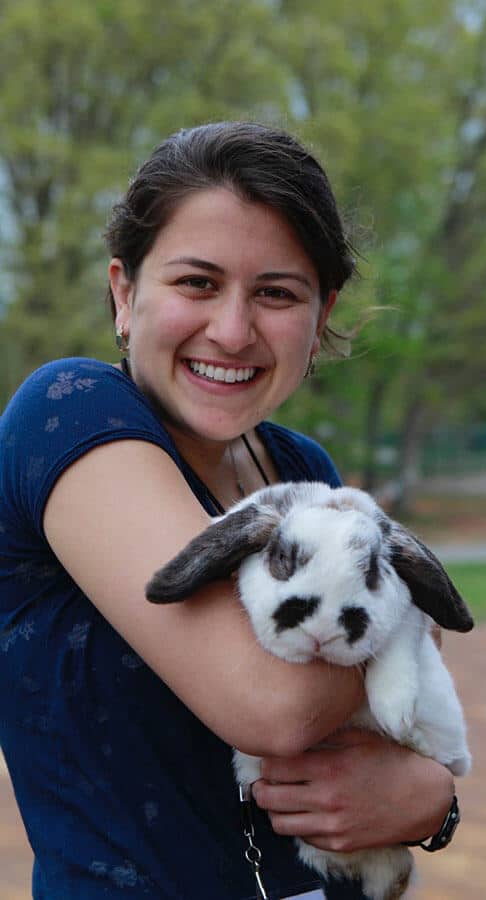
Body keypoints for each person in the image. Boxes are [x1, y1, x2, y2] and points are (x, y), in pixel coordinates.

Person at [0, 122, 455, 899]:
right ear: (124, 291)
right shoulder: (69, 415)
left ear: (320, 315)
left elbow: (384, 733)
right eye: (197, 283)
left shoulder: (302, 469)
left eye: (276, 293)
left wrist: (430, 803)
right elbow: (272, 709)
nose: (234, 331)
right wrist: (401, 619)